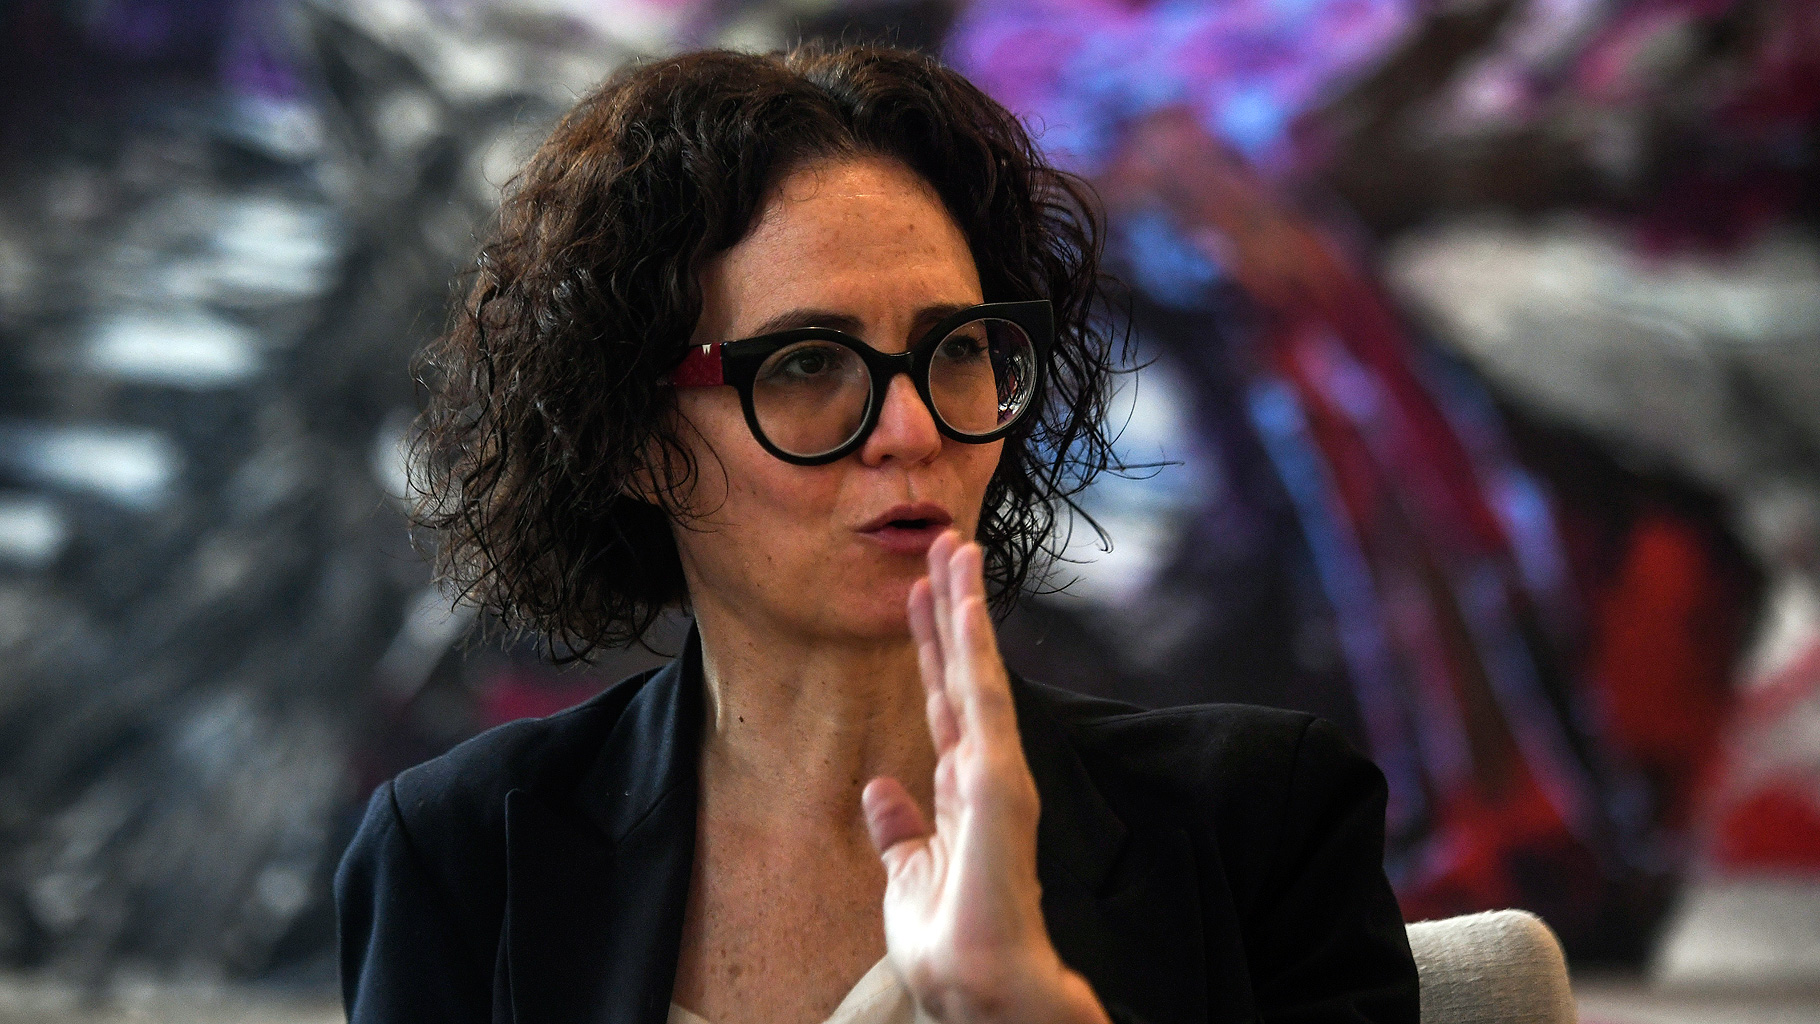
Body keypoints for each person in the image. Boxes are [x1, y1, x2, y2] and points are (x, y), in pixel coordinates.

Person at [335, 44, 1418, 1024]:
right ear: (638, 440)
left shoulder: (1258, 824)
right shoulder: (461, 854)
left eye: (957, 350)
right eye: (808, 363)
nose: (912, 429)